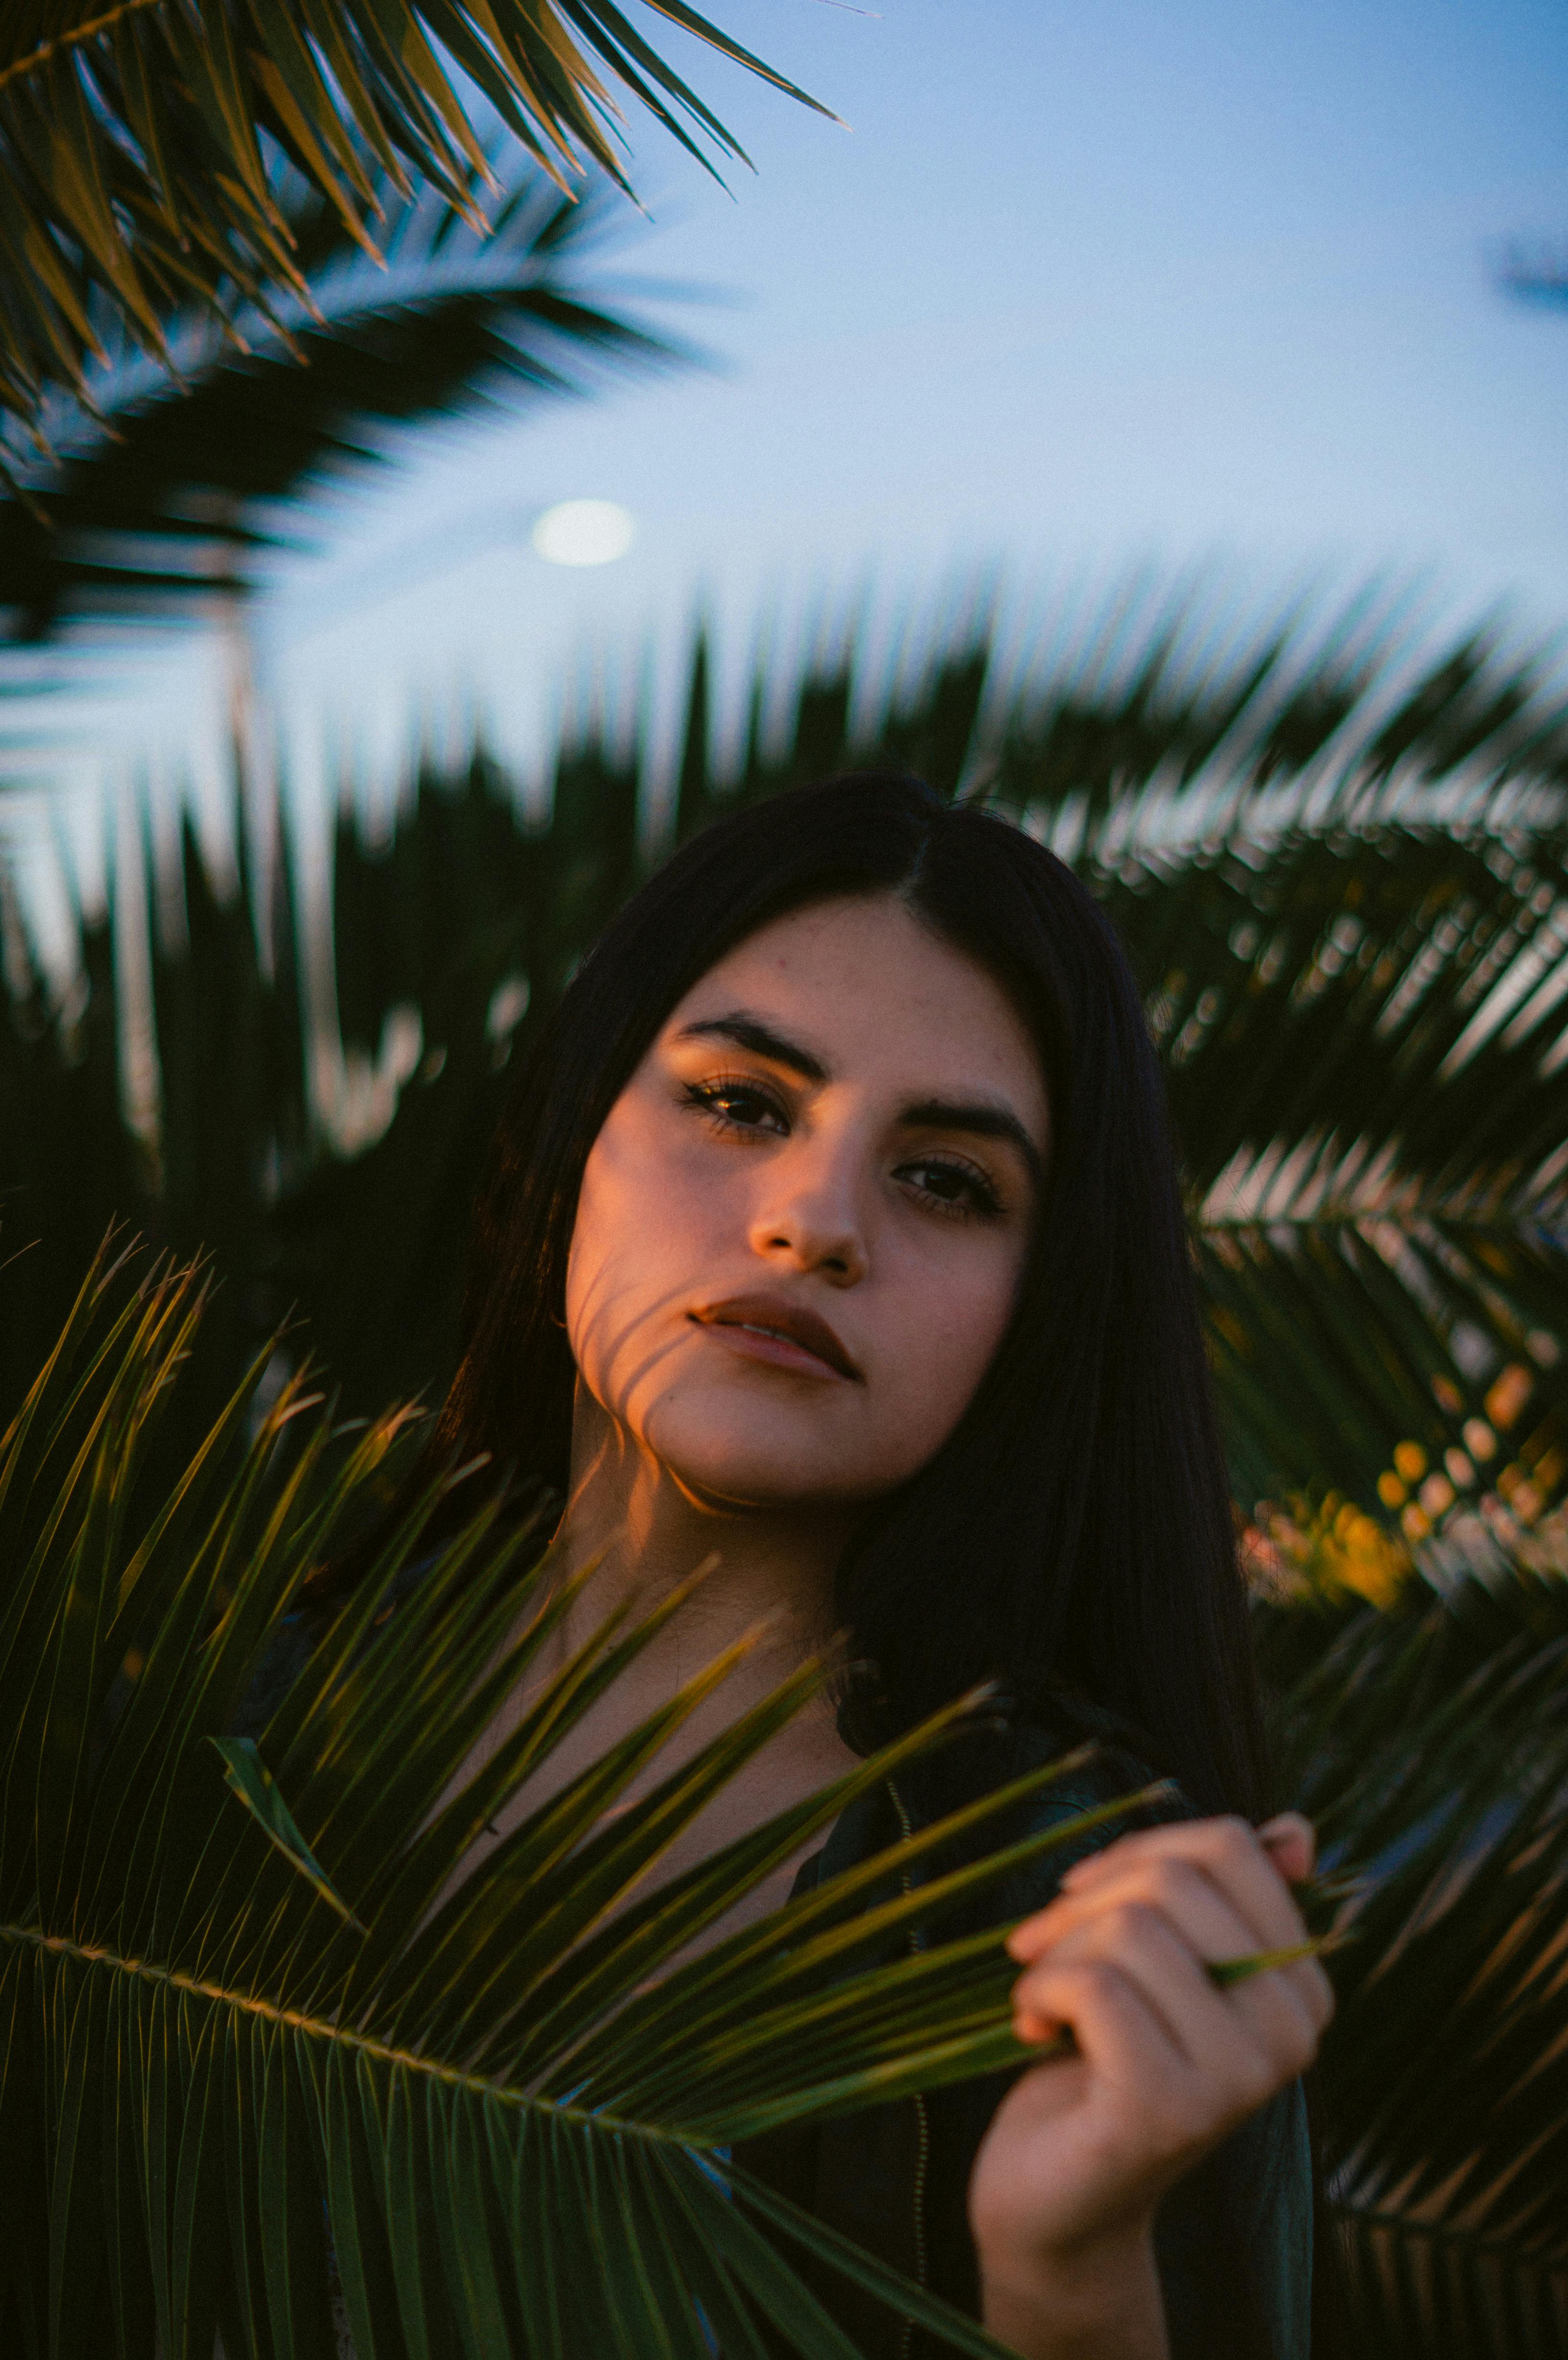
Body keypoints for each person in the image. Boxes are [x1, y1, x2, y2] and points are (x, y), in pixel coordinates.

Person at [368, 773, 1333, 2357]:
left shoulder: (1102, 1932)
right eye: (741, 1103)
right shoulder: (207, 1722)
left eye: (947, 1180)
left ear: (1042, 1307)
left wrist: (1070, 2278)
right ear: (578, 1125)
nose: (817, 1222)